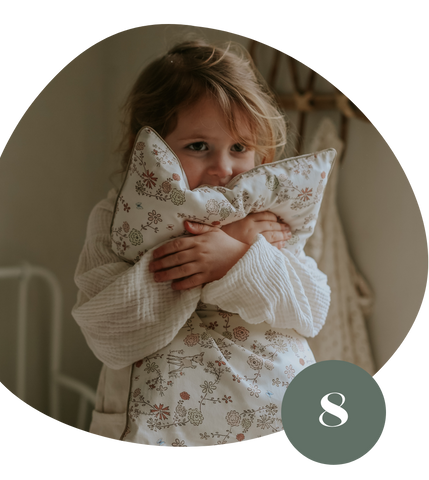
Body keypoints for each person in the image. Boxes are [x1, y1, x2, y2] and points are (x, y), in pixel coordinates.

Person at [71, 39, 331, 448]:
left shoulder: (268, 219)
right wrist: (222, 247)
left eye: (240, 148)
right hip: (162, 429)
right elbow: (109, 333)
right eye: (198, 147)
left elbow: (311, 309)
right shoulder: (115, 220)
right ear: (150, 149)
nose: (223, 169)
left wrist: (240, 259)